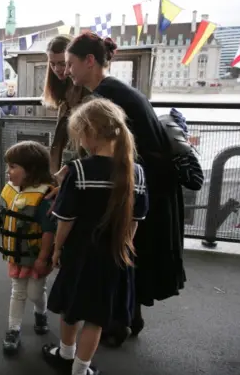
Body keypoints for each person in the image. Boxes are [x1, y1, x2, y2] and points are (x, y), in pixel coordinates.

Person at [62, 32, 184, 341]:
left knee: (116, 251)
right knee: (129, 251)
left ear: (90, 61)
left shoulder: (106, 97)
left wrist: (77, 173)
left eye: (71, 63)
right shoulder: (118, 91)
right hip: (148, 183)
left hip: (136, 186)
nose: (67, 71)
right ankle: (128, 317)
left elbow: (110, 151)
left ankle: (115, 323)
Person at [42, 98, 148, 375]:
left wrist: (56, 250)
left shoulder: (79, 170)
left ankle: (65, 354)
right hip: (116, 253)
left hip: (80, 252)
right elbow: (135, 222)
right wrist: (126, 245)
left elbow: (66, 220)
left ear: (89, 132)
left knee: (73, 307)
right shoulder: (136, 172)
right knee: (97, 317)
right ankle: (82, 369)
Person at [0, 141, 55, 354]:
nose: (8, 171)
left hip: (36, 255)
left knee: (36, 292)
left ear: (31, 170)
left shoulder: (44, 197)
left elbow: (48, 230)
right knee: (18, 291)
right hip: (17, 255)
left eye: (13, 166)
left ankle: (40, 312)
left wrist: (43, 256)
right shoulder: (12, 190)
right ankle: (13, 330)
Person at [42, 35, 92, 176]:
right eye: (52, 64)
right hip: (67, 163)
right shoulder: (63, 91)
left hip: (78, 166)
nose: (57, 69)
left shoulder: (87, 92)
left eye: (62, 63)